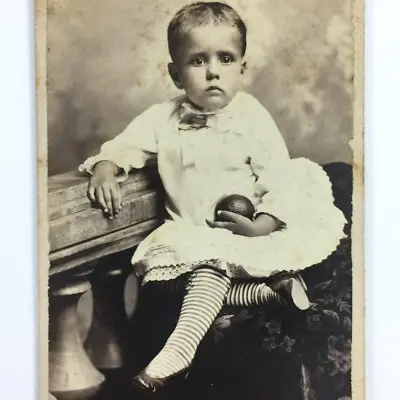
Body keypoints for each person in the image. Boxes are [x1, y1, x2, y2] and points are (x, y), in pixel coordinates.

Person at [79, 1, 346, 392]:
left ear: (242, 67)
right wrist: (106, 167)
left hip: (240, 235)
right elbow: (125, 146)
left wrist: (262, 225)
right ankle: (265, 294)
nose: (213, 71)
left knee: (208, 271)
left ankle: (174, 356)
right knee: (154, 279)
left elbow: (280, 176)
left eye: (225, 58)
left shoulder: (251, 116)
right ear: (175, 74)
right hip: (187, 233)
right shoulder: (164, 118)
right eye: (197, 60)